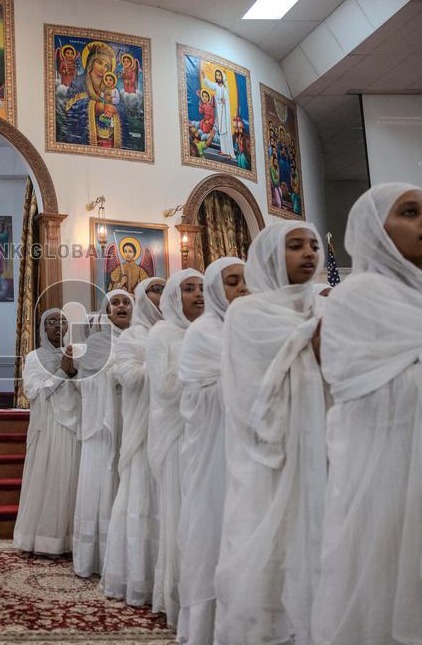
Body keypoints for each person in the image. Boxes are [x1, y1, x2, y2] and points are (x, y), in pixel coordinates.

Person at [313, 183, 422, 644]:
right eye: (410, 211)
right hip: (387, 471)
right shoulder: (356, 297)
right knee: (388, 585)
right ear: (373, 232)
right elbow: (355, 385)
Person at [214, 221, 328, 645]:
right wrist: (310, 338)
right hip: (271, 452)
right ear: (267, 258)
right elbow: (247, 391)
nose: (309, 254)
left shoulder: (324, 305)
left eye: (313, 245)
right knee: (269, 546)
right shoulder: (249, 312)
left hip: (324, 442)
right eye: (294, 246)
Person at [176, 257, 248, 645]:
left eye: (247, 281)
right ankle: (212, 620)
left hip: (249, 444)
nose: (243, 289)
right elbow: (200, 392)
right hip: (214, 444)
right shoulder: (203, 332)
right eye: (233, 282)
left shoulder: (251, 325)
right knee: (215, 522)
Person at [145, 268, 204, 626]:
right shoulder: (162, 334)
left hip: (206, 431)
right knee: (182, 514)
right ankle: (181, 595)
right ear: (172, 297)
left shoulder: (211, 328)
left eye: (201, 287)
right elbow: (164, 390)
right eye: (188, 289)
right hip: (177, 433)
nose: (198, 294)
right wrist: (200, 364)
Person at [102, 277, 165, 606]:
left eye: (165, 289)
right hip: (143, 430)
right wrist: (163, 358)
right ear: (142, 298)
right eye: (155, 290)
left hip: (174, 430)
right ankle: (141, 575)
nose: (162, 295)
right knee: (143, 496)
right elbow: (128, 377)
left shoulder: (177, 332)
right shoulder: (132, 337)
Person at [72, 290, 132, 578]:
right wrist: (121, 371)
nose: (121, 307)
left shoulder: (140, 338)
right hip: (105, 421)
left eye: (126, 303)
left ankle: (128, 551)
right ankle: (100, 553)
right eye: (115, 304)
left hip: (133, 415)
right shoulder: (97, 342)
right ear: (107, 313)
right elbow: (88, 380)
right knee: (105, 476)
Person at [14, 309, 82, 556]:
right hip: (48, 424)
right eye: (51, 321)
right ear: (43, 327)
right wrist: (62, 372)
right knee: (50, 475)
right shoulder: (34, 357)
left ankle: (71, 540)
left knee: (71, 477)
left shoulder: (76, 354)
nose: (57, 326)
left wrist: (74, 372)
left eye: (62, 321)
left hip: (73, 421)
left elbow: (86, 389)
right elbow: (34, 392)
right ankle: (45, 540)